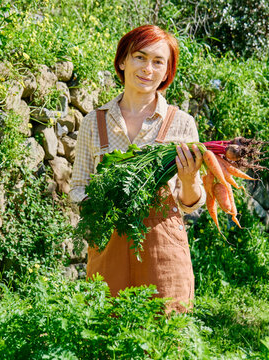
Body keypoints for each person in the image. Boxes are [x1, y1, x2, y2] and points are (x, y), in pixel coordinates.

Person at [70, 25, 205, 313]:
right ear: (123, 61)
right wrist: (102, 204)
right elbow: (79, 186)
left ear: (167, 71)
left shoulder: (182, 124)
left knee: (166, 335)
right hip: (109, 244)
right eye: (140, 57)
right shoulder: (94, 123)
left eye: (158, 62)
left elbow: (190, 202)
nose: (148, 68)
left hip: (163, 248)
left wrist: (190, 177)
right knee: (108, 332)